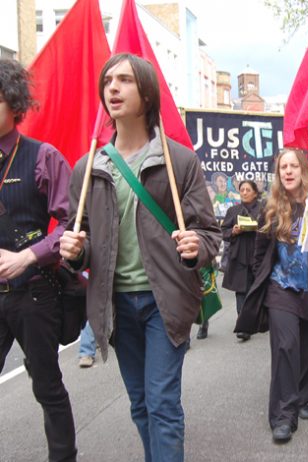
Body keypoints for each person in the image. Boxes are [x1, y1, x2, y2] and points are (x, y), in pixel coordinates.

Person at [59, 53, 221, 462]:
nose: (113, 88)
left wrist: (195, 246)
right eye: (108, 80)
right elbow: (87, 239)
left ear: (146, 93)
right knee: (140, 405)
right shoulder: (87, 169)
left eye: (125, 80)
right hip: (115, 306)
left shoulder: (178, 161)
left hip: (163, 302)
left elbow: (209, 233)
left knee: (162, 404)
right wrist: (75, 253)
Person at [235, 148, 308, 444]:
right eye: (282, 167)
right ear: (278, 174)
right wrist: (260, 277)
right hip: (281, 288)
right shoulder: (271, 206)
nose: (287, 171)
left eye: (293, 166)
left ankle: (304, 395)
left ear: (303, 170)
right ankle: (283, 415)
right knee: (286, 346)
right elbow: (261, 250)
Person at [0, 58, 77, 461]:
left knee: (46, 386)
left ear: (14, 105)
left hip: (34, 293)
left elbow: (72, 224)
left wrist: (27, 256)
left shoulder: (42, 156)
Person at [221, 179, 263, 341]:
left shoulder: (262, 209)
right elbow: (223, 231)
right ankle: (243, 325)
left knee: (256, 289)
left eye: (248, 190)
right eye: (242, 190)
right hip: (239, 256)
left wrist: (259, 228)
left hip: (258, 255)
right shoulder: (233, 210)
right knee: (241, 291)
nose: (244, 192)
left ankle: (256, 319)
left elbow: (270, 228)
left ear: (255, 192)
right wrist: (233, 231)